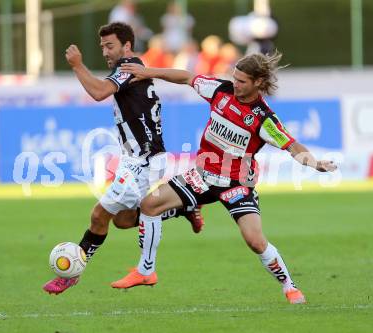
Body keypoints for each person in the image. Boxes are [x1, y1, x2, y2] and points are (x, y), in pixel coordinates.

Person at [110, 51, 337, 304]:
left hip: (237, 184)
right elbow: (187, 77)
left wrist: (315, 163)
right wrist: (148, 72)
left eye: (242, 81)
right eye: (235, 78)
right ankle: (146, 270)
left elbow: (292, 146)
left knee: (255, 241)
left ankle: (289, 286)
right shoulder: (220, 90)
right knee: (149, 205)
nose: (236, 84)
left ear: (258, 82)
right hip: (202, 176)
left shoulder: (263, 118)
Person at [43, 22, 203, 295]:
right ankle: (181, 208)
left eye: (110, 45)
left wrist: (77, 65)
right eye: (102, 46)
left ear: (126, 46)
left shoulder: (128, 68)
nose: (105, 51)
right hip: (141, 158)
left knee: (99, 215)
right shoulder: (131, 69)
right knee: (123, 221)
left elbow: (98, 92)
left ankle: (72, 273)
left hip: (143, 159)